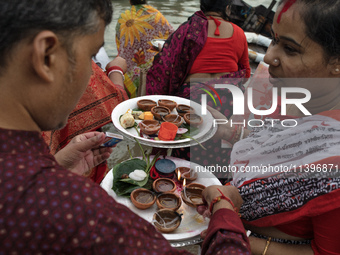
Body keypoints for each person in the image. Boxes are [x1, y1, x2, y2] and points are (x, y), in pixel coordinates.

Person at [0, 0, 252, 253]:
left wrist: (56, 168)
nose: (92, 76)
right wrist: (222, 206)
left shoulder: (33, 180)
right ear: (46, 56)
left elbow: (165, 70)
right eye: (90, 56)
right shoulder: (76, 206)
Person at [210, 0, 340, 254]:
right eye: (273, 39)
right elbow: (275, 144)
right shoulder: (292, 94)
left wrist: (231, 233)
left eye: (290, 49)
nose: (268, 57)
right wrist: (228, 130)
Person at [145, 0, 251, 179]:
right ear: (226, 8)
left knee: (188, 148)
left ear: (202, 8)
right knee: (220, 150)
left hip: (193, 99)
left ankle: (183, 183)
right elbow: (246, 73)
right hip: (227, 101)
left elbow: (163, 68)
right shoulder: (239, 33)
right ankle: (217, 185)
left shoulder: (186, 30)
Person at [42, 58, 128, 184]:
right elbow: (116, 104)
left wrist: (58, 165)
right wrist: (116, 70)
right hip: (74, 173)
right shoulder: (68, 57)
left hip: (61, 168)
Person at [116, 0, 174, 98]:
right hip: (152, 68)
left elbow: (119, 43)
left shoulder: (123, 17)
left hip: (130, 69)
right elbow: (172, 38)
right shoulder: (156, 15)